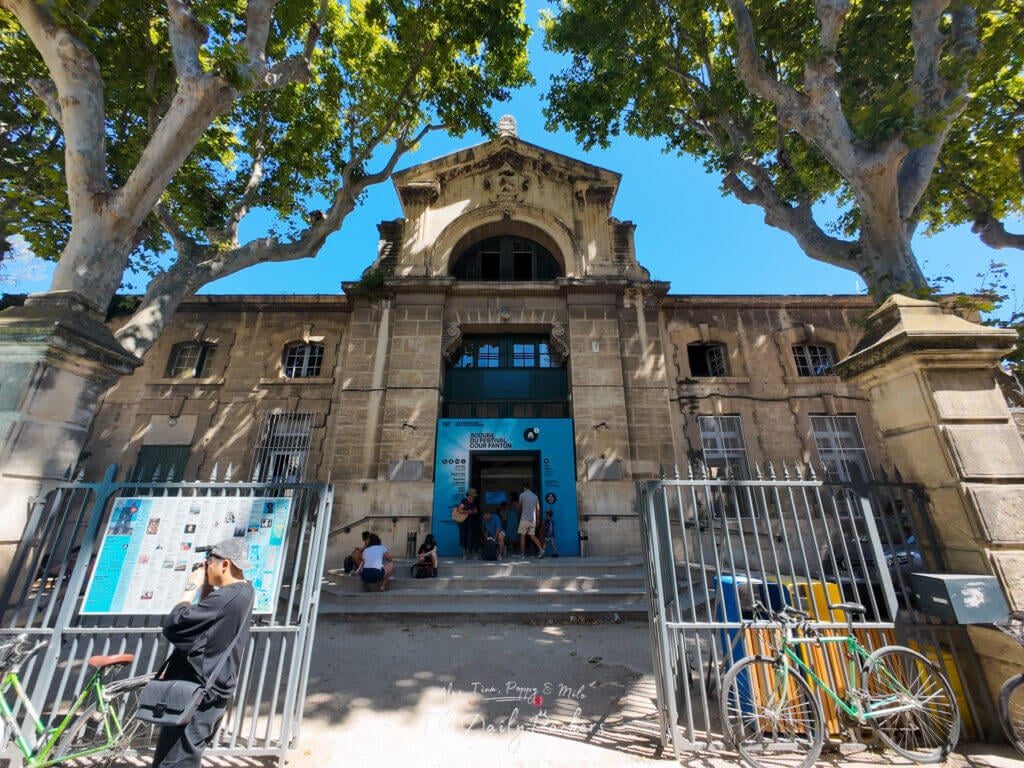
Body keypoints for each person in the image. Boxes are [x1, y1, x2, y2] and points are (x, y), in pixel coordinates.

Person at [152, 538, 255, 768]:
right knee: (184, 756)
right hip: (213, 688)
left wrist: (192, 587)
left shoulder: (226, 598)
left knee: (176, 761)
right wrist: (208, 588)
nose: (206, 566)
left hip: (198, 693)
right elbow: (211, 621)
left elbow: (174, 624)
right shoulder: (245, 591)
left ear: (225, 564)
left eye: (210, 561)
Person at [517, 482, 543, 558]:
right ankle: (541, 549)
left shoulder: (522, 495)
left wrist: (518, 508)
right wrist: (538, 520)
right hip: (533, 519)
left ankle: (522, 554)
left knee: (522, 536)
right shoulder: (535, 496)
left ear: (524, 487)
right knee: (532, 536)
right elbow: (538, 509)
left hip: (524, 519)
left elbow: (519, 506)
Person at [455, 488, 479, 560]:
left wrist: (474, 511)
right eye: (472, 496)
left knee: (472, 537)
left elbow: (476, 511)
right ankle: (465, 553)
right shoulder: (464, 501)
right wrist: (468, 512)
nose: (473, 497)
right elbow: (459, 510)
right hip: (464, 523)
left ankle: (472, 553)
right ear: (469, 495)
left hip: (472, 522)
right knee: (464, 537)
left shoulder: (474, 502)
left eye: (474, 496)